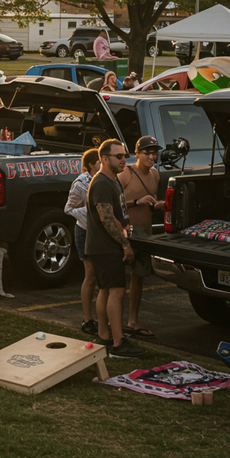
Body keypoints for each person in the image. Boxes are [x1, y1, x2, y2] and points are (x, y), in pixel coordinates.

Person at [86, 139, 145, 358]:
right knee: (117, 292)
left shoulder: (113, 180)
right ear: (104, 158)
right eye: (118, 156)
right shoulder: (101, 183)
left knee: (105, 290)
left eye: (125, 156)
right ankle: (119, 344)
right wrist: (125, 244)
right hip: (106, 247)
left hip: (105, 246)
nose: (124, 160)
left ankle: (104, 336)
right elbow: (107, 218)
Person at [118, 136, 165, 340]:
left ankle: (133, 322)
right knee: (118, 281)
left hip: (145, 234)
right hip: (126, 233)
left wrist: (160, 204)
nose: (152, 157)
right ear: (136, 154)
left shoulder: (155, 174)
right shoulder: (125, 173)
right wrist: (136, 201)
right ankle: (113, 324)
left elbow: (151, 205)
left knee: (138, 279)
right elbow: (112, 204)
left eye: (155, 153)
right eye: (147, 153)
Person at [65, 148, 101, 335]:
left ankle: (103, 318)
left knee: (102, 277)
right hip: (85, 232)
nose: (103, 163)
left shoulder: (107, 179)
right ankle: (88, 319)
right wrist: (91, 214)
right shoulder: (81, 183)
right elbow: (69, 208)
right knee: (91, 275)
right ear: (91, 164)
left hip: (102, 234)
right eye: (99, 161)